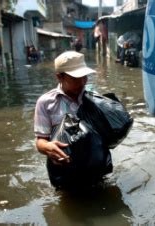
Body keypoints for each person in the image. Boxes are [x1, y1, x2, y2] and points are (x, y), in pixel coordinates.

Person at [34, 51, 109, 188]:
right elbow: (40, 141)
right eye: (75, 78)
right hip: (66, 171)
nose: (82, 82)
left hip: (96, 167)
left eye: (84, 77)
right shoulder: (46, 103)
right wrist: (48, 147)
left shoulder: (92, 98)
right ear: (59, 77)